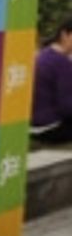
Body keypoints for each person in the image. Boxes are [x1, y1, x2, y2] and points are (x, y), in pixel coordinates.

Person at [30, 16, 72, 144]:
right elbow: (67, 107)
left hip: (33, 125)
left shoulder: (45, 55)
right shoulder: (62, 62)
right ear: (64, 35)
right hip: (50, 128)